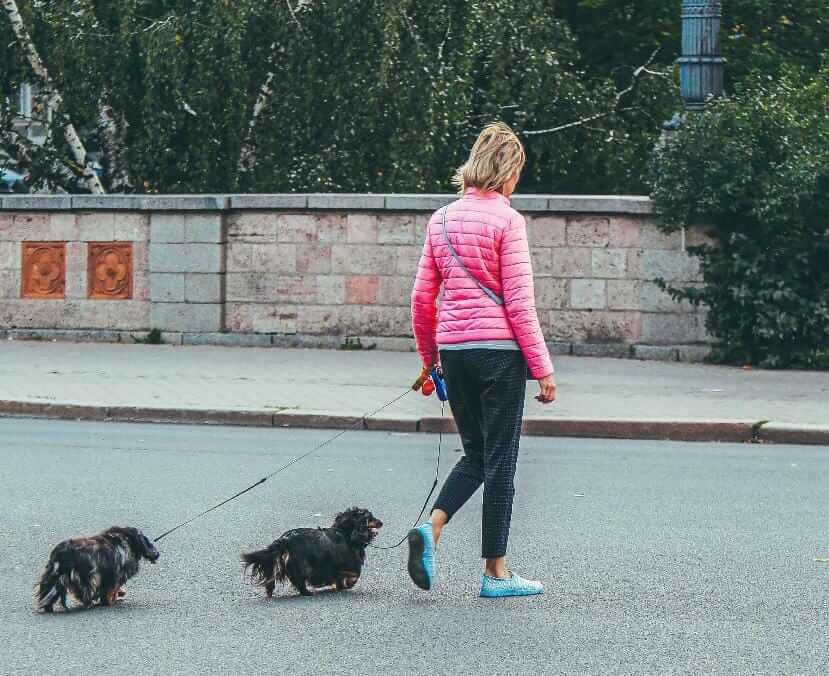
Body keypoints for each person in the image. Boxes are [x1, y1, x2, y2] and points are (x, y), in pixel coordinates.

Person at [408, 122, 556, 598]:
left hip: (455, 353)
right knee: (501, 463)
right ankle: (495, 574)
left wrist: (431, 360)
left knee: (476, 455)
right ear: (509, 172)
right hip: (499, 357)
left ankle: (431, 528)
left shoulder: (441, 220)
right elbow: (518, 302)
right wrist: (542, 368)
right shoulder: (508, 222)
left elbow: (421, 299)